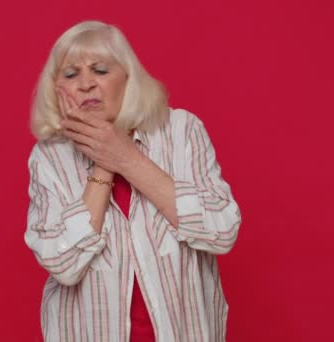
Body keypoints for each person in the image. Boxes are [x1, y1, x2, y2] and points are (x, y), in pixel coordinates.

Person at [25, 20, 242, 342]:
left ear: (128, 77)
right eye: (71, 74)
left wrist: (126, 157)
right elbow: (64, 264)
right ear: (56, 90)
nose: (86, 84)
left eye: (100, 70)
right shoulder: (49, 158)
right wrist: (103, 159)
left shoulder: (182, 130)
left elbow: (221, 232)